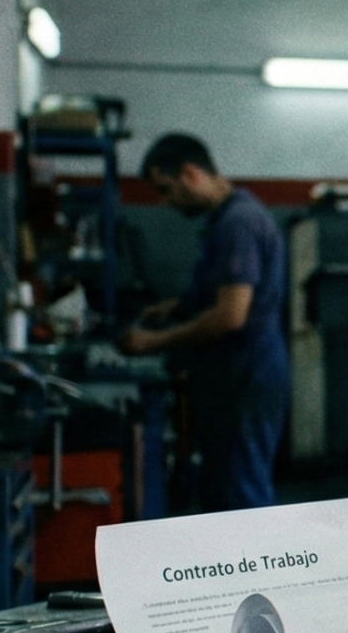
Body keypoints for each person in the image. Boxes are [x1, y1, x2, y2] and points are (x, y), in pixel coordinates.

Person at [122, 133, 291, 513]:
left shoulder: (238, 223)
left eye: (167, 190)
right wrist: (175, 306)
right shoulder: (225, 220)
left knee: (242, 493)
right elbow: (224, 292)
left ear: (190, 173)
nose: (166, 203)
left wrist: (152, 341)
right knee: (227, 487)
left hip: (246, 374)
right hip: (237, 374)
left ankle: (259, 571)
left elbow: (230, 315)